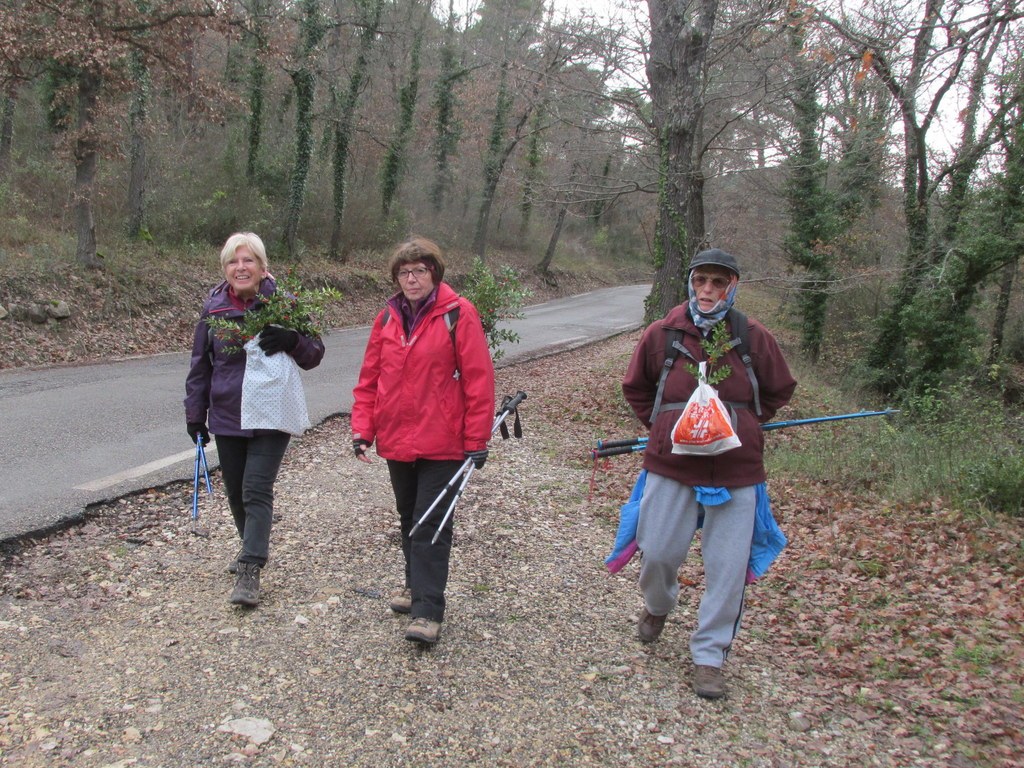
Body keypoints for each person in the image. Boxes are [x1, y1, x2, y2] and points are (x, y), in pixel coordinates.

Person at [621, 248, 797, 699]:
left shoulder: (755, 337)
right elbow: (636, 387)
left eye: (719, 283)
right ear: (690, 283)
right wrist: (666, 427)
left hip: (737, 468)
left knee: (727, 568)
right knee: (657, 550)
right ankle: (659, 605)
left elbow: (778, 390)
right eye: (701, 281)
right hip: (671, 463)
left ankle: (709, 655)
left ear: (732, 288)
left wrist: (741, 425)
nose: (708, 291)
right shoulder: (663, 333)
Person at [351, 237, 495, 645]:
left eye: (419, 270)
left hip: (444, 441)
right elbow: (369, 379)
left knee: (431, 521)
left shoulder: (458, 314)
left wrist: (476, 438)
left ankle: (428, 610)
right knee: (409, 517)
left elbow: (479, 380)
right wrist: (363, 430)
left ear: (434, 272)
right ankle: (416, 586)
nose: (411, 278)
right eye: (404, 272)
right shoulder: (387, 318)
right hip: (398, 438)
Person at [184, 232, 325, 608]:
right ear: (225, 269)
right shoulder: (214, 308)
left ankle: (250, 567)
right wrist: (195, 414)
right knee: (235, 492)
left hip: (271, 412)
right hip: (228, 412)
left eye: (248, 261)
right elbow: (201, 365)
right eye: (233, 261)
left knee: (255, 488)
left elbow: (314, 355)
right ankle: (250, 544)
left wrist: (292, 339)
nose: (241, 267)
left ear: (263, 267)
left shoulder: (285, 305)